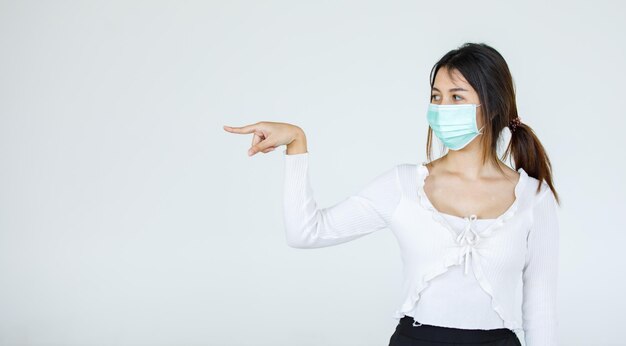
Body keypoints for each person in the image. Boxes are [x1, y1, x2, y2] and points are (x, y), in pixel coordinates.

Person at [223, 42, 560, 346]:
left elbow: (540, 306)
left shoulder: (534, 196)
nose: (442, 107)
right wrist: (297, 144)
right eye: (436, 96)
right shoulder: (403, 186)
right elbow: (304, 233)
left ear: (494, 106)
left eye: (456, 97)